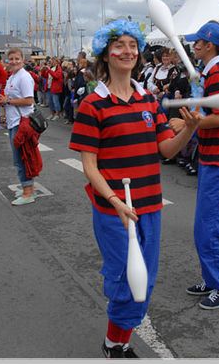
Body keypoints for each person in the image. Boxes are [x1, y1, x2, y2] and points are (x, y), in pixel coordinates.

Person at [69, 19, 200, 357]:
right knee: (125, 283)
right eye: (119, 46)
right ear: (105, 54)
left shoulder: (148, 101)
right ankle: (115, 345)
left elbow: (166, 150)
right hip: (114, 211)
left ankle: (118, 341)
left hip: (150, 205)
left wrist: (189, 129)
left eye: (132, 45)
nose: (127, 51)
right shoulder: (92, 105)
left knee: (147, 282)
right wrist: (114, 201)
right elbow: (89, 166)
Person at [180, 21, 219, 310]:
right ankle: (211, 277)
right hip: (216, 156)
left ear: (208, 45)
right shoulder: (217, 69)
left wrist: (187, 124)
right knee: (204, 224)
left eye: (197, 42)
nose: (194, 46)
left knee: (210, 225)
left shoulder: (218, 71)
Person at [0, 49, 40, 205]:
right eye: (11, 59)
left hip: (22, 122)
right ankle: (27, 188)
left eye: (16, 58)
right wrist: (4, 103)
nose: (13, 61)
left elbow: (29, 100)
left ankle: (28, 193)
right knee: (21, 157)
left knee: (21, 158)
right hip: (14, 121)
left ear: (23, 60)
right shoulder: (13, 77)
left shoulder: (24, 77)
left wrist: (7, 101)